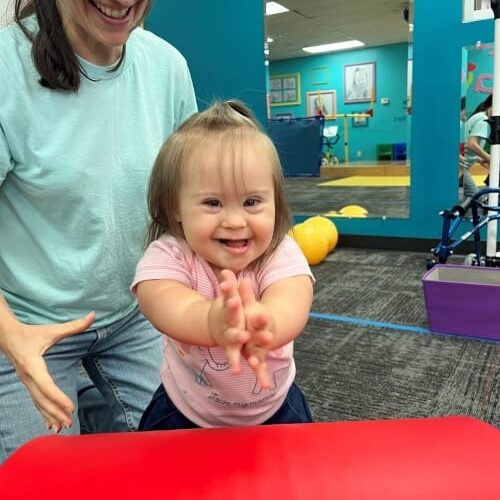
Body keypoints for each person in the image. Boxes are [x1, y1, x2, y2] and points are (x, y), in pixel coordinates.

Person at [0, 0, 197, 462]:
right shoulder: (7, 68)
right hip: (30, 323)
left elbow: (192, 201)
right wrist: (9, 335)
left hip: (137, 308)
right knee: (45, 477)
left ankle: (90, 410)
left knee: (174, 459)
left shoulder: (167, 66)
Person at [131, 100, 314, 430]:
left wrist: (267, 322)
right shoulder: (171, 254)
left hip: (276, 407)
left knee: (297, 479)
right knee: (164, 480)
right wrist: (212, 322)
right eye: (213, 203)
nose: (234, 220)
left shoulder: (278, 250)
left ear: (275, 201)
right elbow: (159, 300)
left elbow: (294, 298)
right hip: (186, 410)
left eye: (252, 202)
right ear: (176, 208)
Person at [462, 94, 492, 197]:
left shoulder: (478, 116)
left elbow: (468, 144)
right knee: (475, 198)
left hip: (462, 167)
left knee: (472, 197)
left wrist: (479, 159)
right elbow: (471, 144)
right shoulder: (483, 119)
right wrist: (489, 158)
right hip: (461, 167)